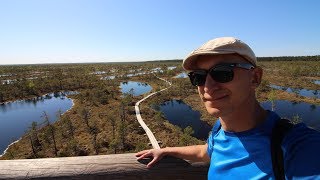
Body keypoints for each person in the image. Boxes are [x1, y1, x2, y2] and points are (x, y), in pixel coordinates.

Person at [136, 37, 320, 179]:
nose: (208, 87)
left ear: (255, 77)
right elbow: (206, 151)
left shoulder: (300, 146)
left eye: (223, 73)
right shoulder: (220, 129)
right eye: (198, 77)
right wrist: (166, 150)